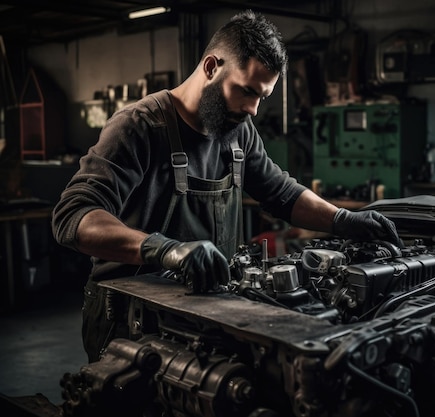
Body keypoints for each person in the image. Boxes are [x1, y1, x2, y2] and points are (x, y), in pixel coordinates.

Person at [52, 10, 402, 362]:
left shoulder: (236, 130)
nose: (252, 109)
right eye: (246, 91)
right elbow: (73, 216)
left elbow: (280, 192)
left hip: (206, 313)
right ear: (211, 67)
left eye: (262, 97)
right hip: (130, 321)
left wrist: (342, 219)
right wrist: (163, 249)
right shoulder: (138, 127)